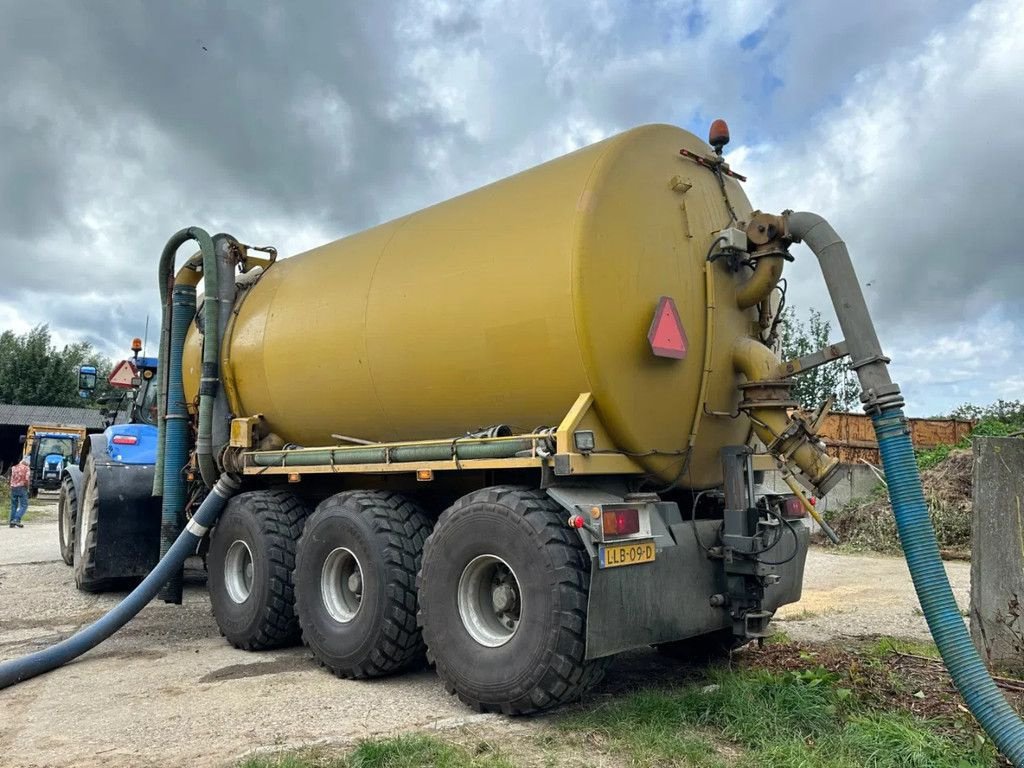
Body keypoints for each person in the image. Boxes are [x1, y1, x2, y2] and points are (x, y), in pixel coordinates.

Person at [8, 456, 29, 528]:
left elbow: (11, 478)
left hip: (13, 487)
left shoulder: (14, 467)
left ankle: (11, 522)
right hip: (22, 487)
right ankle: (16, 519)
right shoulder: (26, 468)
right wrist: (27, 487)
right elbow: (26, 479)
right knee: (24, 505)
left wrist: (11, 486)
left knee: (14, 505)